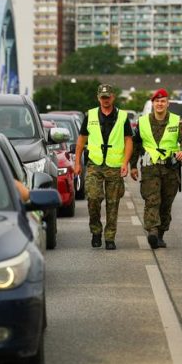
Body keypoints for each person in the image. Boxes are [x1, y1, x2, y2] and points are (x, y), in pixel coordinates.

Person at [129, 88, 182, 249]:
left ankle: (161, 233)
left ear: (167, 103)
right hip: (150, 169)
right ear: (153, 103)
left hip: (170, 169)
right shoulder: (142, 122)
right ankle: (153, 232)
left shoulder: (176, 121)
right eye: (157, 101)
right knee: (152, 200)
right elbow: (135, 145)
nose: (160, 104)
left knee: (165, 203)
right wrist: (133, 166)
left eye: (163, 101)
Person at [73, 84, 133, 250]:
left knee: (113, 204)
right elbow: (81, 141)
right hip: (94, 164)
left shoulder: (122, 116)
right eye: (102, 97)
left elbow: (129, 140)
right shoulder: (90, 115)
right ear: (98, 98)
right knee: (93, 198)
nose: (105, 100)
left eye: (108, 97)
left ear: (113, 97)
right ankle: (96, 230)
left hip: (114, 166)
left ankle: (110, 237)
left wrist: (125, 163)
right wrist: (77, 163)